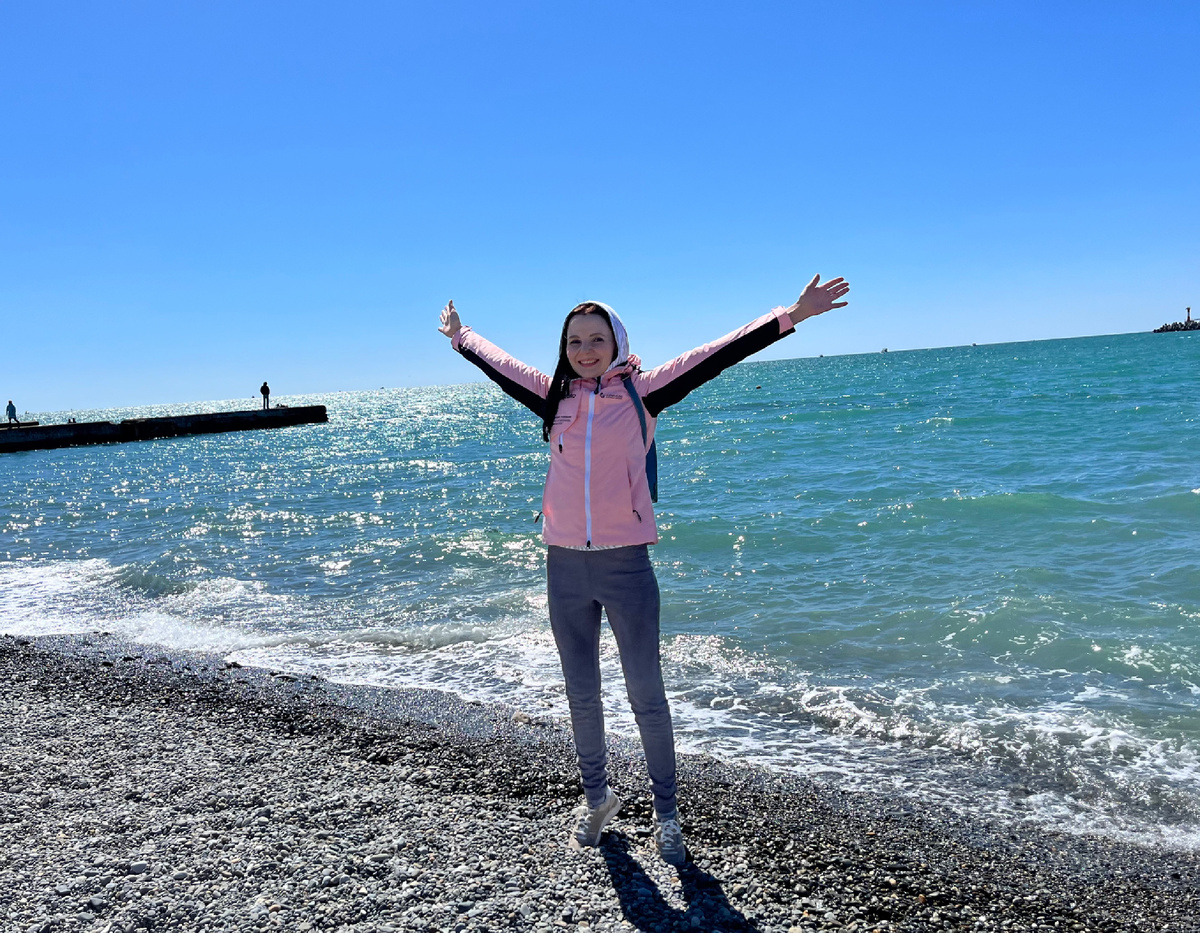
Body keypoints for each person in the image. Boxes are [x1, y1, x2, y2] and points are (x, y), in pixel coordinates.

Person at [437, 274, 850, 866]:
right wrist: (461, 335)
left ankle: (667, 815)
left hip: (625, 565)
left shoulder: (644, 393)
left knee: (646, 696)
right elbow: (498, 364)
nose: (585, 350)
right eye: (574, 340)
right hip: (563, 566)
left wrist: (792, 315)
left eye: (596, 339)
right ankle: (597, 800)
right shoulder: (552, 396)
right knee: (582, 694)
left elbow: (716, 354)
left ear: (617, 342)